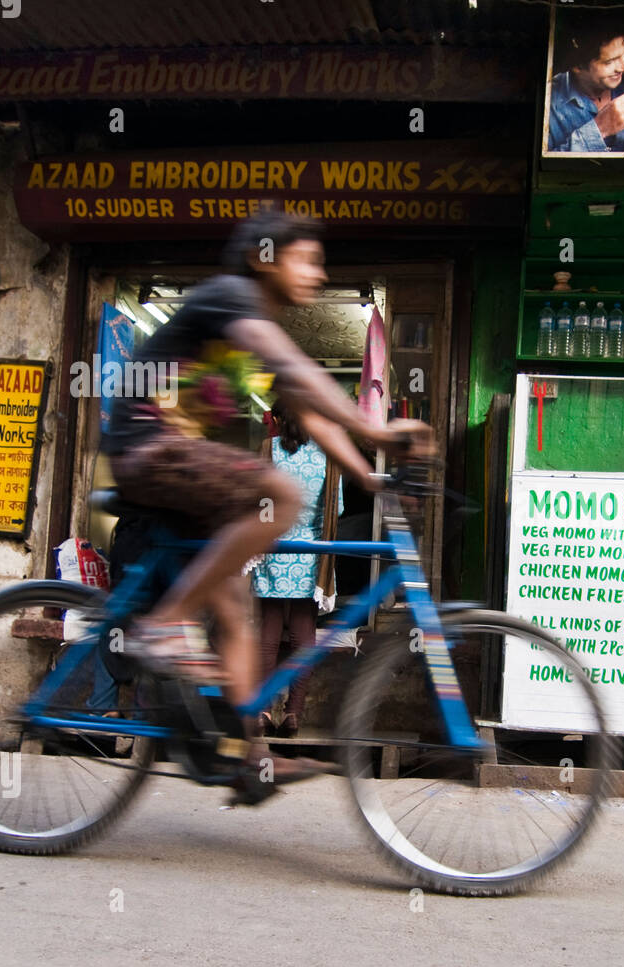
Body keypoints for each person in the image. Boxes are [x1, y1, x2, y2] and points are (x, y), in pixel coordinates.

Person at [101, 212, 432, 788]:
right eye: (308, 259)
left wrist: (368, 472)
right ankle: (164, 625)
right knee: (279, 492)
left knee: (235, 610)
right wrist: (377, 432)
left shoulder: (253, 325)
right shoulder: (232, 298)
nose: (319, 274)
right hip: (147, 448)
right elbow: (294, 369)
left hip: (172, 462)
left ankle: (243, 755)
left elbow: (305, 408)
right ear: (263, 258)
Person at [251, 398, 341, 739]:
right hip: (311, 555)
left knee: (268, 634)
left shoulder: (267, 450)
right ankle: (293, 714)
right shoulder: (327, 455)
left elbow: (258, 502)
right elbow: (338, 506)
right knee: (303, 636)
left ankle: (261, 710)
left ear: (276, 419)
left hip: (273, 549)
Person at [546, 21, 624, 153]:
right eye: (609, 62)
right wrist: (600, 129)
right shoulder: (548, 103)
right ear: (577, 66)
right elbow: (545, 166)